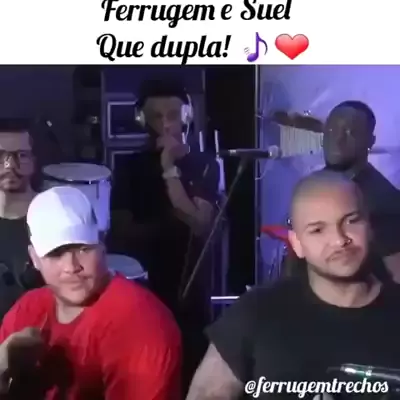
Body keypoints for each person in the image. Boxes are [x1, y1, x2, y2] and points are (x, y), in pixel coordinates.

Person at [187, 170, 400, 400]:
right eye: (318, 230)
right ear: (296, 243)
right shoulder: (256, 312)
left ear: (370, 227)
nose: (339, 240)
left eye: (351, 220)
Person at [0, 186, 181, 399]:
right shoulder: (27, 310)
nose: (71, 266)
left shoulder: (140, 323)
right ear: (34, 258)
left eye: (83, 248)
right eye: (56, 254)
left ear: (102, 243)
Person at [108, 79, 220, 390]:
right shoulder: (129, 167)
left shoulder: (204, 163)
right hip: (144, 282)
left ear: (187, 116)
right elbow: (120, 230)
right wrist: (171, 222)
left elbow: (201, 224)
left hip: (190, 282)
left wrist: (169, 169)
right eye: (156, 117)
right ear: (142, 120)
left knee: (191, 367)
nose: (166, 124)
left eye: (172, 115)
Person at [323, 100, 400, 281]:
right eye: (331, 130)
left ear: (370, 142)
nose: (338, 139)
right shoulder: (317, 188)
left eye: (350, 132)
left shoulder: (384, 203)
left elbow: (395, 279)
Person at [0, 118, 43, 320]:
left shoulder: (53, 215)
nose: (10, 166)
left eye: (21, 155)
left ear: (34, 160)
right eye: (1, 156)